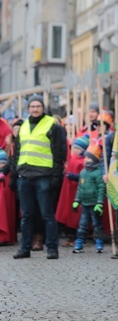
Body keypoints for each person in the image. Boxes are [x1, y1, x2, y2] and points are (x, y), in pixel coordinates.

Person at [12, 95, 67, 259]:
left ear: (43, 108)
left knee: (47, 215)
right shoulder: (23, 126)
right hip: (25, 176)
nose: (35, 109)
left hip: (44, 176)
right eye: (32, 106)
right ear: (28, 109)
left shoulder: (52, 125)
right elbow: (17, 153)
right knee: (26, 216)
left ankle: (52, 248)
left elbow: (59, 153)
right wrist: (14, 175)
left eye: (38, 106)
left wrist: (56, 176)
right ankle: (25, 248)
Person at [71, 144, 106, 253]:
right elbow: (80, 188)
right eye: (85, 157)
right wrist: (77, 200)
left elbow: (101, 188)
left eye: (89, 157)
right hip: (85, 204)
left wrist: (100, 203)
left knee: (97, 225)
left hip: (94, 203)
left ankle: (99, 242)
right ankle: (79, 243)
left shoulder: (98, 173)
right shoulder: (83, 172)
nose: (86, 159)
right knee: (82, 225)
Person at [56, 135, 89, 246]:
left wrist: (73, 176)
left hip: (77, 190)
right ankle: (71, 236)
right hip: (69, 190)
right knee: (68, 212)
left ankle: (77, 237)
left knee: (76, 215)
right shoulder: (72, 159)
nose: (75, 150)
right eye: (74, 148)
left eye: (78, 148)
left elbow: (83, 176)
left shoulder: (83, 162)